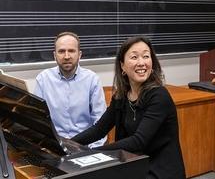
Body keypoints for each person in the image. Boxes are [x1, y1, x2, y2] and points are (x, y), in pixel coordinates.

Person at [72, 36, 185, 179]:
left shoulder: (159, 96)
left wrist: (91, 152)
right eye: (134, 57)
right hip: (135, 164)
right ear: (122, 66)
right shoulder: (121, 96)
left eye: (146, 56)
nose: (141, 63)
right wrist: (68, 143)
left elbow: (138, 141)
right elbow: (99, 129)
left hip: (160, 170)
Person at [34, 31, 106, 147]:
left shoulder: (92, 79)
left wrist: (93, 153)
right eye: (61, 51)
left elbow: (100, 122)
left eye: (71, 51)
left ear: (79, 54)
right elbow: (37, 119)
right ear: (54, 55)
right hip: (54, 146)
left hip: (84, 146)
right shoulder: (43, 79)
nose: (67, 56)